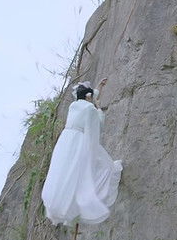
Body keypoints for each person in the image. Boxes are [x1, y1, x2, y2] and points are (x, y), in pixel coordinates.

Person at [41, 78, 123, 226]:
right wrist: (99, 109)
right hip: (79, 141)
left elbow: (85, 101)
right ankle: (87, 199)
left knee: (67, 172)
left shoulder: (74, 105)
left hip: (66, 141)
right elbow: (97, 126)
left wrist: (98, 88)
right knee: (101, 166)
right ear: (89, 97)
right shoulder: (90, 109)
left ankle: (68, 201)